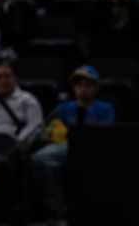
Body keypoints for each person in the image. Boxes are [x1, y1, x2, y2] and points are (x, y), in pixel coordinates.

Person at [30, 65, 115, 217]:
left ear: (95, 88)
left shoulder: (106, 108)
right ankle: (55, 206)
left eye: (87, 85)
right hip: (66, 146)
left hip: (94, 148)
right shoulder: (62, 108)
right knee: (39, 159)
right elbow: (51, 131)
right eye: (78, 84)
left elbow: (107, 134)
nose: (82, 89)